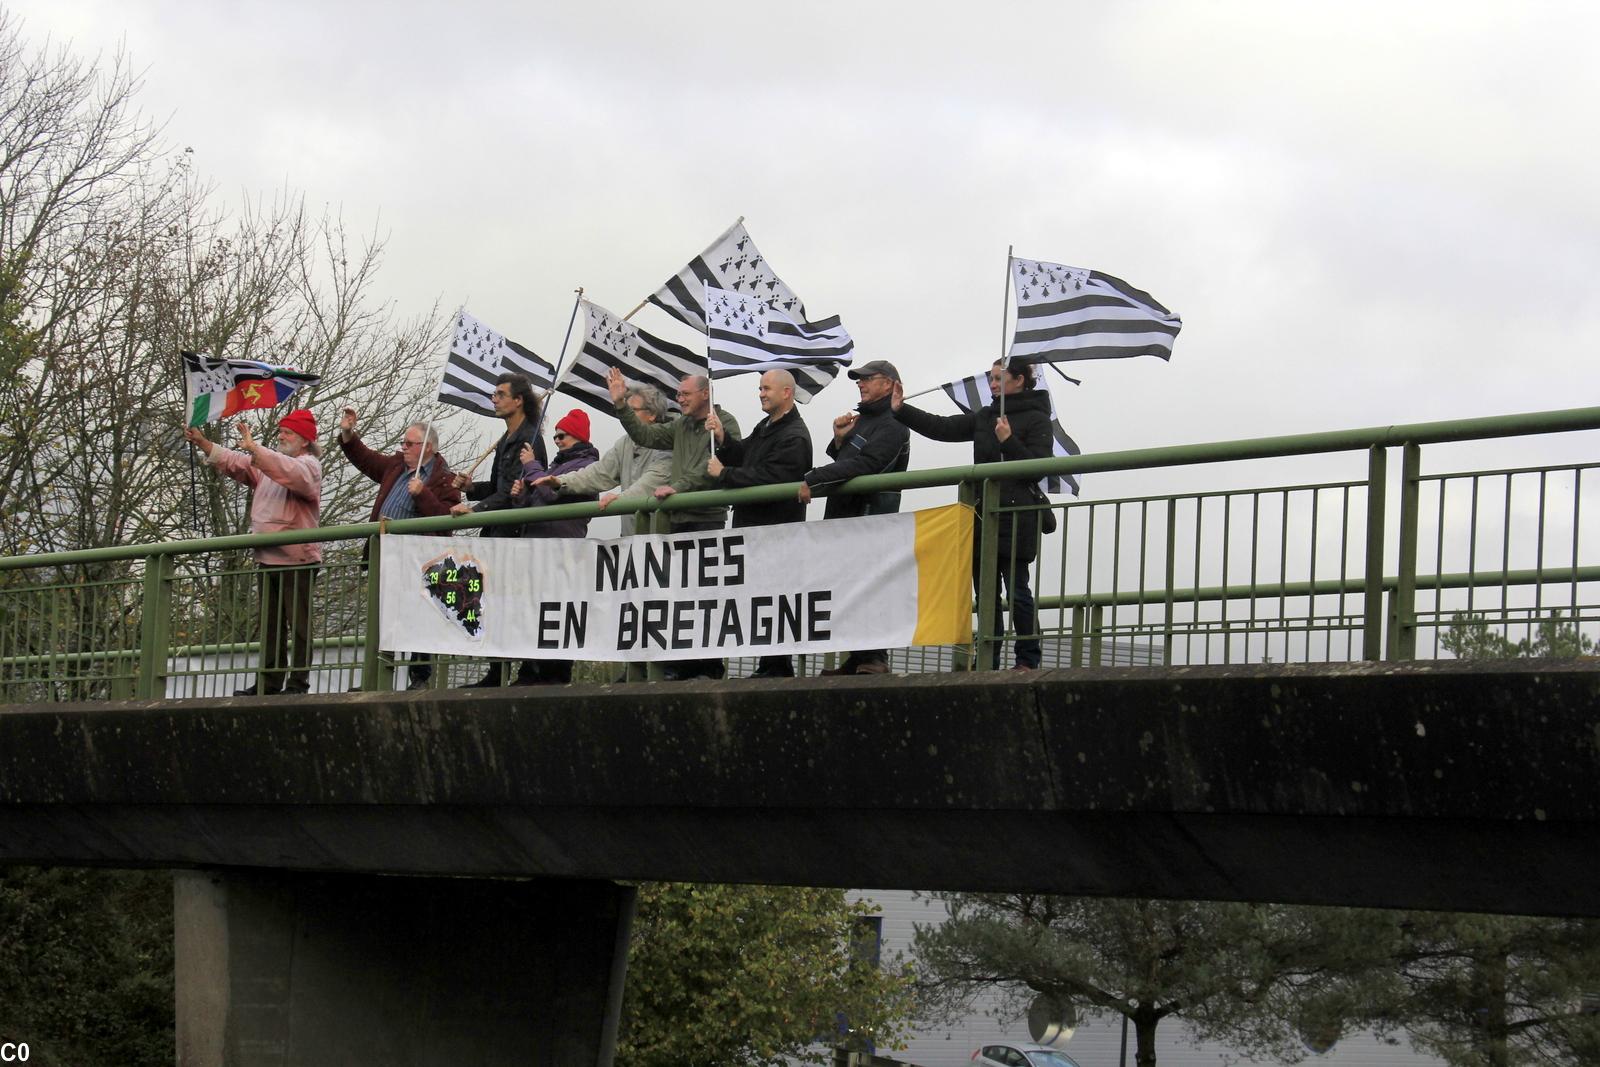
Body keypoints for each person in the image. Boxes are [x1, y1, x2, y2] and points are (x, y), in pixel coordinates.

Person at [893, 357, 1054, 671]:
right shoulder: (986, 417)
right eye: (991, 379)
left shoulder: (1037, 419)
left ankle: (1028, 661)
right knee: (988, 598)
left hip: (1018, 516)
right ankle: (988, 662)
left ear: (1019, 380)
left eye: (998, 378)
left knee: (1018, 592)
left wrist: (1008, 441)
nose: (992, 385)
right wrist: (901, 410)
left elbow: (1038, 468)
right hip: (983, 517)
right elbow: (943, 427)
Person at [610, 366, 740, 680]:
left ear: (705, 394)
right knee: (678, 597)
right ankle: (678, 663)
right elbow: (645, 434)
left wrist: (678, 488)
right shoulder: (680, 426)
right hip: (679, 520)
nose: (679, 399)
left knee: (705, 597)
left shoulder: (725, 423)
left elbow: (711, 469)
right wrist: (620, 405)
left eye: (685, 394)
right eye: (678, 394)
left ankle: (707, 666)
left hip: (705, 519)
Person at [184, 409, 323, 696]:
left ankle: (298, 684)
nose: (282, 436)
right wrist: (204, 443)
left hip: (296, 558)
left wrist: (256, 449)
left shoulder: (309, 465)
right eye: (282, 432)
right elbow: (237, 462)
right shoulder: (269, 463)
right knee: (270, 626)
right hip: (268, 556)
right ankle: (269, 682)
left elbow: (292, 474)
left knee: (298, 625)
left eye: (289, 433)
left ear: (305, 441)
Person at [798, 359, 911, 676]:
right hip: (846, 520)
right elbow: (849, 460)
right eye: (859, 380)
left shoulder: (895, 426)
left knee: (869, 585)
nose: (860, 384)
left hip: (871, 519)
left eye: (867, 379)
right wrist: (838, 440)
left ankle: (875, 657)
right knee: (847, 586)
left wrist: (814, 478)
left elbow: (869, 465)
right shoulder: (862, 422)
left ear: (888, 384)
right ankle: (859, 656)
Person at [336, 408, 461, 690]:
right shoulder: (396, 466)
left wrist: (423, 494)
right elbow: (367, 460)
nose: (402, 448)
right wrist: (348, 434)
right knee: (383, 617)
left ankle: (419, 678)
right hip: (386, 555)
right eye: (403, 443)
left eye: (408, 444)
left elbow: (445, 520)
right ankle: (377, 677)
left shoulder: (444, 479)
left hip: (420, 560)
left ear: (427, 447)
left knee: (420, 615)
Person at [706, 369, 813, 677]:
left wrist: (724, 474)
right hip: (755, 530)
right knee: (759, 598)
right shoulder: (767, 426)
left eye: (766, 388)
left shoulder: (795, 435)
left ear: (786, 393)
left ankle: (777, 666)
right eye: (760, 388)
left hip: (775, 532)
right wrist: (723, 439)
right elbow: (746, 454)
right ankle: (769, 664)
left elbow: (772, 477)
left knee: (776, 598)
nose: (761, 393)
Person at [449, 372, 546, 687]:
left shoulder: (529, 438)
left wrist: (474, 510)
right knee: (490, 603)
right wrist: (471, 489)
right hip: (497, 533)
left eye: (501, 394)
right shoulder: (506, 439)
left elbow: (512, 494)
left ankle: (524, 671)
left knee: (511, 603)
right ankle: (497, 670)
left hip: (514, 536)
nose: (494, 399)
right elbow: (497, 486)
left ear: (518, 401)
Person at [507, 409, 602, 684]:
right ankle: (530, 670)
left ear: (579, 437)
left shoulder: (585, 468)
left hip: (561, 551)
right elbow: (536, 502)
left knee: (557, 612)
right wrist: (521, 496)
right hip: (539, 549)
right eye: (557, 435)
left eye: (563, 436)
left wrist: (530, 466)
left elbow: (550, 492)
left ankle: (554, 674)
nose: (558, 440)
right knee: (534, 610)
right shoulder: (556, 467)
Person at [531, 384, 673, 537]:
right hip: (633, 538)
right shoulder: (624, 444)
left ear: (651, 414)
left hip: (666, 540)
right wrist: (560, 482)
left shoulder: (670, 443)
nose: (625, 416)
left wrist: (619, 500)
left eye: (632, 411)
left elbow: (652, 482)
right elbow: (599, 473)